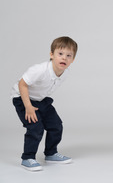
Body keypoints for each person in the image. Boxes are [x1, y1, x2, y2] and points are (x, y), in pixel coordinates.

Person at [11, 36, 78, 171]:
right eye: (60, 54)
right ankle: (27, 157)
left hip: (41, 100)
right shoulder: (40, 70)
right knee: (36, 127)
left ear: (73, 59)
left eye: (68, 55)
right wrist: (28, 107)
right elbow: (22, 84)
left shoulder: (65, 73)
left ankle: (51, 153)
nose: (64, 58)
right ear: (51, 55)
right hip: (22, 98)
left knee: (56, 125)